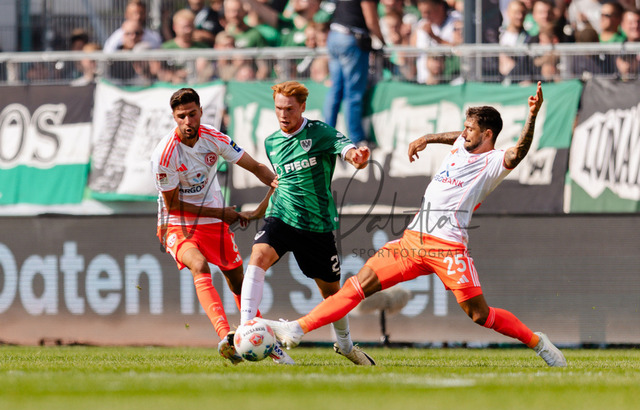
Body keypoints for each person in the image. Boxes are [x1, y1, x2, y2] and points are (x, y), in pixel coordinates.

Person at [260, 82, 568, 368]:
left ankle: (537, 342)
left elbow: (519, 150)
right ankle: (297, 328)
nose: (463, 133)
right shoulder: (462, 144)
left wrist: (532, 115)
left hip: (448, 248)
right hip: (413, 241)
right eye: (464, 127)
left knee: (479, 314)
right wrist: (428, 138)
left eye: (470, 129)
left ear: (487, 134)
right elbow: (456, 136)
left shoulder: (494, 162)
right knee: (358, 285)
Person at [238, 81, 376, 366]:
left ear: (302, 107)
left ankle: (345, 345)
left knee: (332, 294)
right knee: (258, 256)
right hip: (281, 216)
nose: (283, 114)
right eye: (278, 108)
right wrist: (260, 210)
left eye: (289, 109)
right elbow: (280, 182)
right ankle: (245, 329)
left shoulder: (320, 132)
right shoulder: (271, 142)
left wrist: (358, 158)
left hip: (317, 225)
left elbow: (348, 151)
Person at [150, 88, 277, 365]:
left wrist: (276, 182)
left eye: (192, 114)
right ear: (174, 117)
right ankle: (226, 338)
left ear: (200, 112)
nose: (188, 121)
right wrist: (222, 213)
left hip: (213, 220)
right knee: (199, 265)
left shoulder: (213, 138)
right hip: (176, 223)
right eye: (181, 116)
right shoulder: (165, 154)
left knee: (238, 280)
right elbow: (173, 205)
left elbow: (255, 166)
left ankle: (260, 338)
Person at [323, 0, 386, 146]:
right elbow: (371, 19)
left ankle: (326, 137)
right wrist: (383, 42)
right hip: (352, 38)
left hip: (335, 36)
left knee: (335, 90)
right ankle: (356, 139)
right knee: (353, 93)